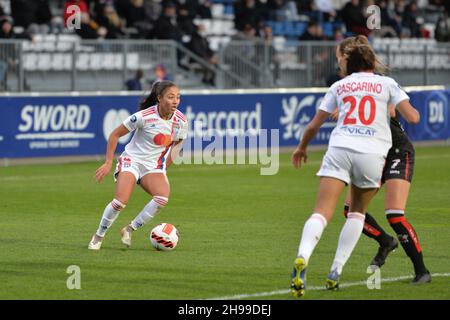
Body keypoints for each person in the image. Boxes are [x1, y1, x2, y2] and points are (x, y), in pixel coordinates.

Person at [290, 35, 420, 297]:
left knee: (321, 212)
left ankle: (302, 256)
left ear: (350, 62)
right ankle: (335, 271)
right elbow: (413, 117)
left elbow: (314, 125)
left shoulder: (340, 85)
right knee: (357, 213)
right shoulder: (387, 83)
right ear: (373, 61)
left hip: (340, 148)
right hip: (372, 154)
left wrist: (302, 148)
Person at [337, 37, 431, 284]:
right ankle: (385, 241)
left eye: (340, 59)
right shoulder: (347, 87)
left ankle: (422, 271)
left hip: (397, 150)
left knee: (395, 214)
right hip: (374, 153)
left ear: (350, 60)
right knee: (350, 211)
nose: (339, 64)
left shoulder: (382, 84)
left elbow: (410, 116)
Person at [88, 80, 188, 250]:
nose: (175, 101)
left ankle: (129, 229)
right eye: (170, 97)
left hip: (153, 167)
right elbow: (114, 135)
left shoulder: (181, 121)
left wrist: (164, 168)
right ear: (159, 98)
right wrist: (107, 163)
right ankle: (99, 235)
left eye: (178, 97)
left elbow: (178, 144)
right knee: (120, 202)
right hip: (132, 161)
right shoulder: (143, 116)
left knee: (162, 197)